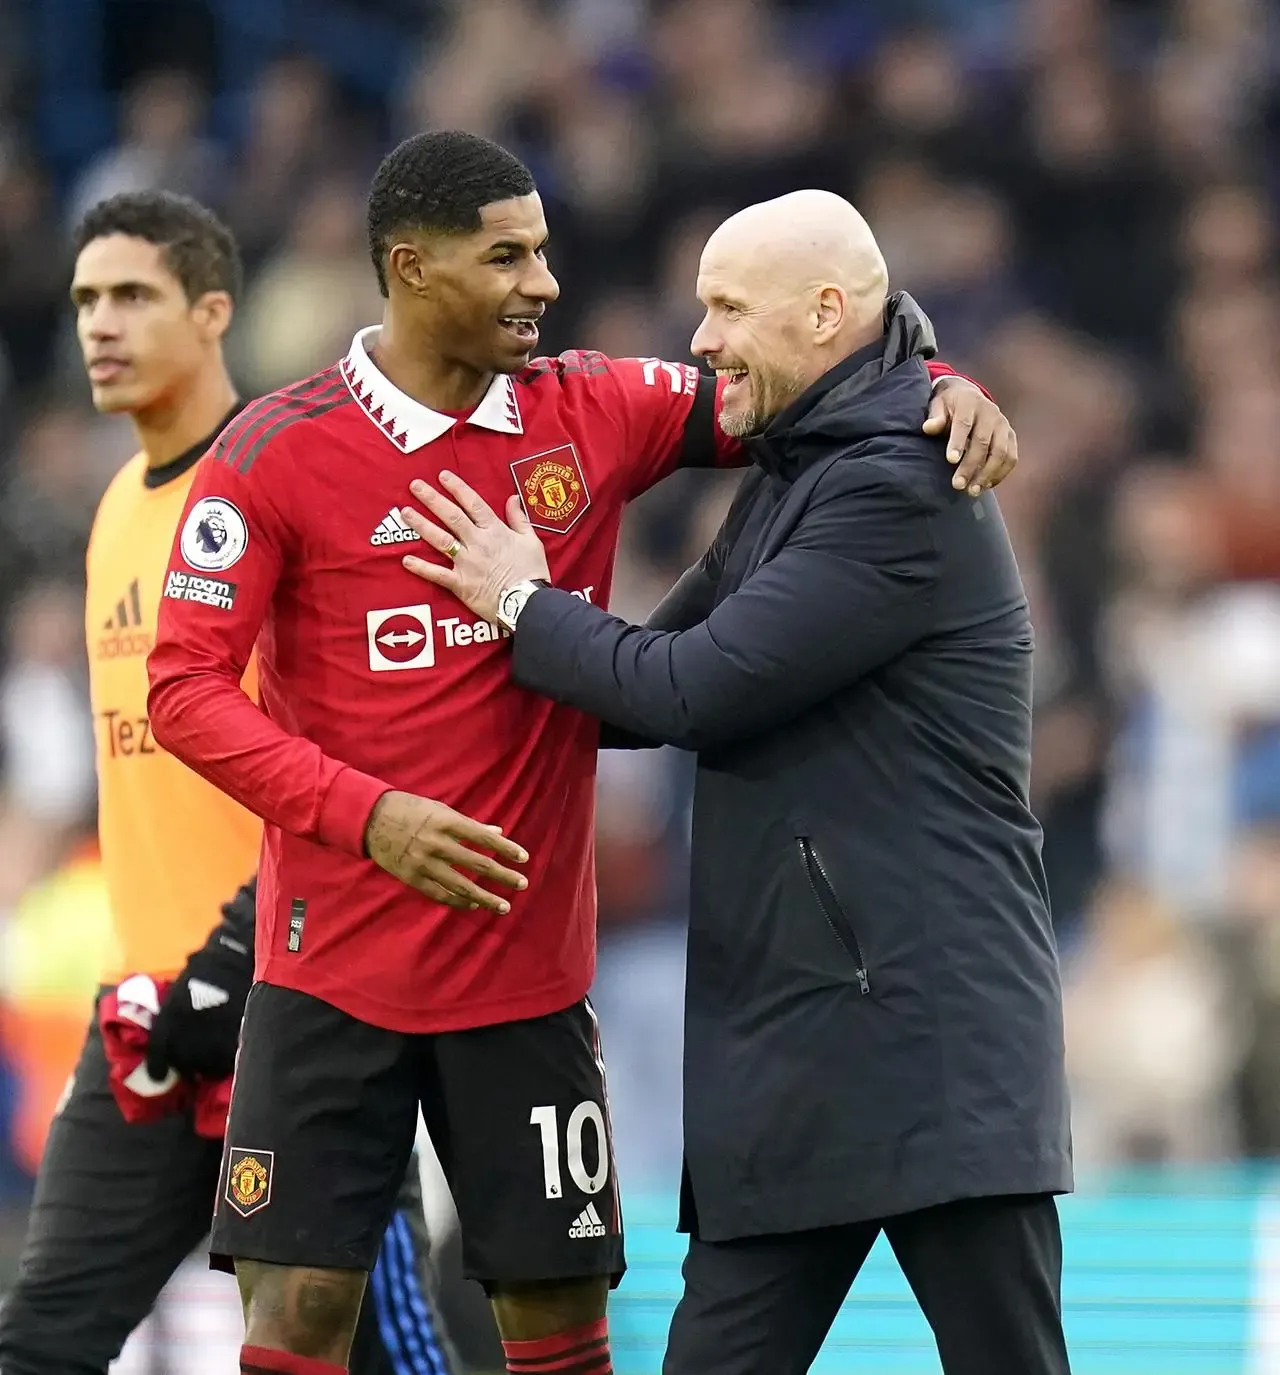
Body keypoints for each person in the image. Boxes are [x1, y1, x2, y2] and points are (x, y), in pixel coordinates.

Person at [145, 132, 1018, 1375]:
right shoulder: (272, 454)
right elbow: (179, 687)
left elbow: (808, 375)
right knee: (294, 1328)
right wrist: (365, 814)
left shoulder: (595, 408)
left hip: (527, 981)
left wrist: (942, 377)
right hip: (326, 972)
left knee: (558, 1337)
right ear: (411, 268)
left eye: (543, 250)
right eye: (506, 257)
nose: (543, 284)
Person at [395, 189, 1073, 1375]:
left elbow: (690, 689)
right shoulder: (794, 470)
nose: (696, 337)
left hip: (929, 1039)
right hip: (796, 1050)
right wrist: (437, 701)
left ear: (823, 315)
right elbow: (636, 684)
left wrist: (518, 598)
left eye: (722, 308)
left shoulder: (893, 487)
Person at [0, 192, 459, 1375]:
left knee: (378, 1355)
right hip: (145, 1024)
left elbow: (354, 757)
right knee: (43, 1338)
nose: (100, 324)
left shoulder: (285, 486)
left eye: (134, 296)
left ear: (214, 311)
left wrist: (235, 961)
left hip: (292, 1009)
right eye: (87, 299)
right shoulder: (113, 510)